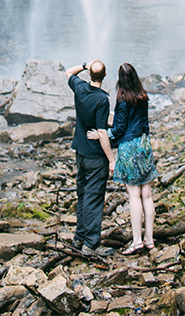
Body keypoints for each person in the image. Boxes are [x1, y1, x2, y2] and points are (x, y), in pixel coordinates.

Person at [103, 62, 157, 255]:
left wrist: (103, 136)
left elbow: (118, 129)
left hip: (129, 147)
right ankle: (149, 239)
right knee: (147, 195)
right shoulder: (143, 97)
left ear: (120, 80)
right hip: (144, 144)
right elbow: (144, 124)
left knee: (134, 196)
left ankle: (136, 241)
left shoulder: (123, 100)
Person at [66, 59, 115, 255]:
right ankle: (91, 244)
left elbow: (69, 71)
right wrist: (111, 159)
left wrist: (85, 65)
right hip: (96, 156)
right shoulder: (102, 100)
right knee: (94, 199)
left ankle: (79, 238)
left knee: (83, 195)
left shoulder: (80, 88)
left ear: (88, 75)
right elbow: (102, 133)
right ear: (104, 75)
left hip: (81, 153)